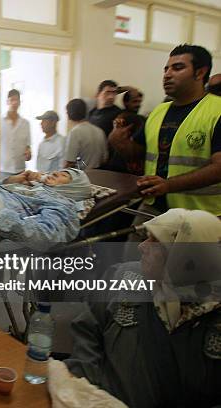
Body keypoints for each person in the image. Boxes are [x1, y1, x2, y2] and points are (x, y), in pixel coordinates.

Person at [49, 209, 221, 408]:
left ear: (184, 257)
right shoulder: (123, 276)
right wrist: (83, 384)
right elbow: (88, 329)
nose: (142, 247)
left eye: (155, 241)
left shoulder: (214, 317)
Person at [109, 44, 221, 223]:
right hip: (154, 206)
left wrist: (168, 185)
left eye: (178, 68)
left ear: (200, 73)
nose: (167, 74)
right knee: (133, 251)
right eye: (166, 69)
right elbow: (138, 153)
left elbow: (219, 168)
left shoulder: (217, 111)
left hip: (200, 214)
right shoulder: (158, 111)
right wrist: (119, 142)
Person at [64, 99, 107, 169]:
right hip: (98, 174)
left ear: (69, 113)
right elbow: (104, 158)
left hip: (82, 176)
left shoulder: (75, 132)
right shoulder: (99, 131)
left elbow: (70, 162)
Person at [0, 89, 31, 176]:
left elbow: (28, 147)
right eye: (12, 100)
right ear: (7, 102)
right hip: (3, 169)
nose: (14, 103)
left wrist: (28, 153)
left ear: (20, 102)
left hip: (20, 169)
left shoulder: (26, 123)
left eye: (16, 100)